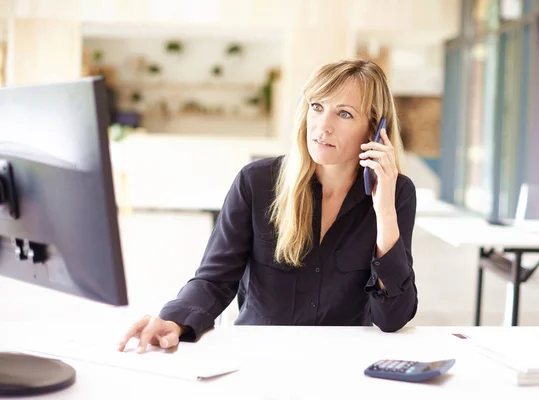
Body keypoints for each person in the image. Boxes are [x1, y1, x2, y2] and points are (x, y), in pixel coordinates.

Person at [118, 59, 418, 354]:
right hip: (256, 354)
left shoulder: (397, 193)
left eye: (344, 114)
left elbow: (393, 318)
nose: (323, 127)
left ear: (374, 131)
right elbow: (215, 279)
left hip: (341, 359)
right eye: (317, 107)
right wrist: (174, 320)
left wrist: (385, 211)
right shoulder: (257, 182)